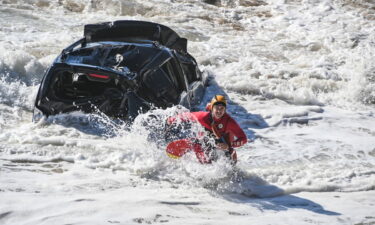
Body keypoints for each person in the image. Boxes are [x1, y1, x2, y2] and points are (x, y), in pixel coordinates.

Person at [166, 95, 247, 164]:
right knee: (198, 142)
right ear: (212, 108)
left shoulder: (229, 122)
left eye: (222, 108)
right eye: (216, 108)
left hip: (225, 148)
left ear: (225, 110)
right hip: (206, 142)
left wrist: (229, 145)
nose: (219, 111)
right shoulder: (203, 117)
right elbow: (186, 116)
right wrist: (171, 120)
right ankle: (202, 163)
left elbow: (243, 139)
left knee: (230, 158)